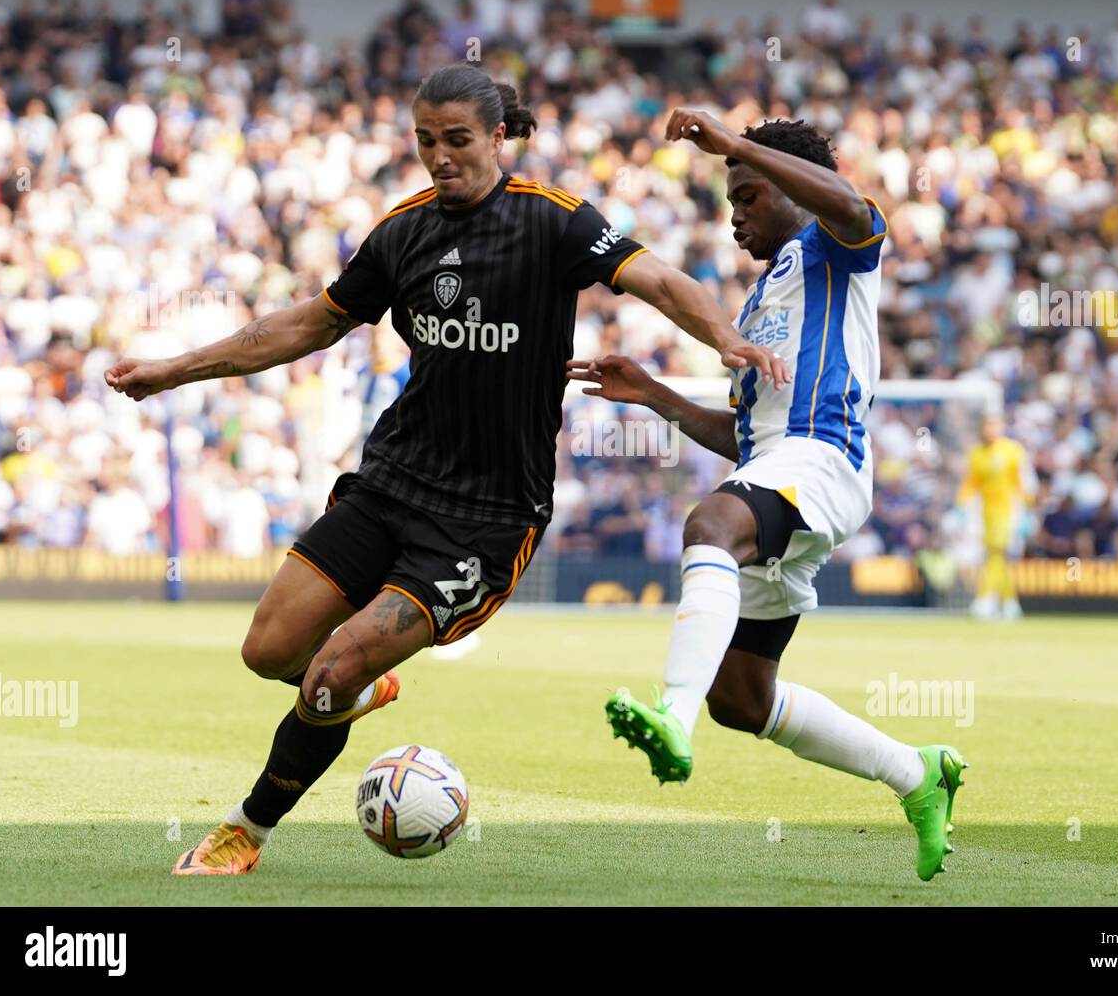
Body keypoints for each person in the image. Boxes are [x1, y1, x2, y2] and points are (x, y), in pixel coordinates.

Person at [106, 65, 785, 876]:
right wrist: (174, 369)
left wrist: (726, 340)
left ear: (498, 137)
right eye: (425, 140)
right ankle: (356, 693)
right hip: (390, 482)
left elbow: (663, 282)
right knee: (269, 653)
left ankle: (245, 831)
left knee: (330, 669)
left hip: (484, 523)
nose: (439, 157)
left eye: (457, 140)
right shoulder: (402, 233)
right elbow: (307, 326)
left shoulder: (554, 221)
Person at [569, 112, 966, 881]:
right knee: (742, 700)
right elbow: (747, 438)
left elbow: (848, 203)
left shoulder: (835, 246)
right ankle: (918, 775)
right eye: (731, 201)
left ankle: (671, 716)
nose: (736, 216)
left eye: (748, 195)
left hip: (825, 457)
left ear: (789, 187)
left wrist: (738, 146)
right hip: (782, 468)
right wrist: (655, 395)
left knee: (710, 523)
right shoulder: (759, 302)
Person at [959, 414, 1032, 619]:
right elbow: (971, 484)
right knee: (996, 557)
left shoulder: (1012, 451)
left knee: (996, 553)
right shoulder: (976, 454)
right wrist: (961, 505)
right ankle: (1009, 602)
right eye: (987, 425)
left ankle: (985, 598)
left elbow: (1023, 482)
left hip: (1008, 510)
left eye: (994, 425)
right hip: (984, 513)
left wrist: (1026, 510)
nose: (990, 430)